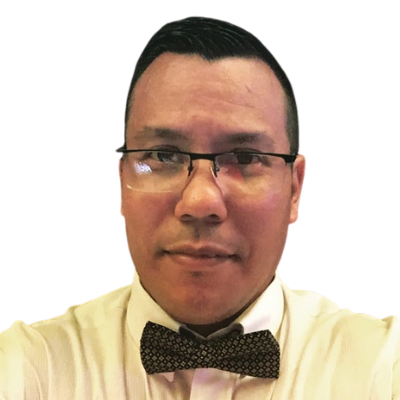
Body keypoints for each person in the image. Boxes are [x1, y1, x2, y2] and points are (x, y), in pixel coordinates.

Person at [1, 16, 399, 400]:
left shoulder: (382, 366)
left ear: (296, 188)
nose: (200, 202)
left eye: (244, 157)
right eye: (162, 155)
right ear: (121, 182)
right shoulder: (27, 364)